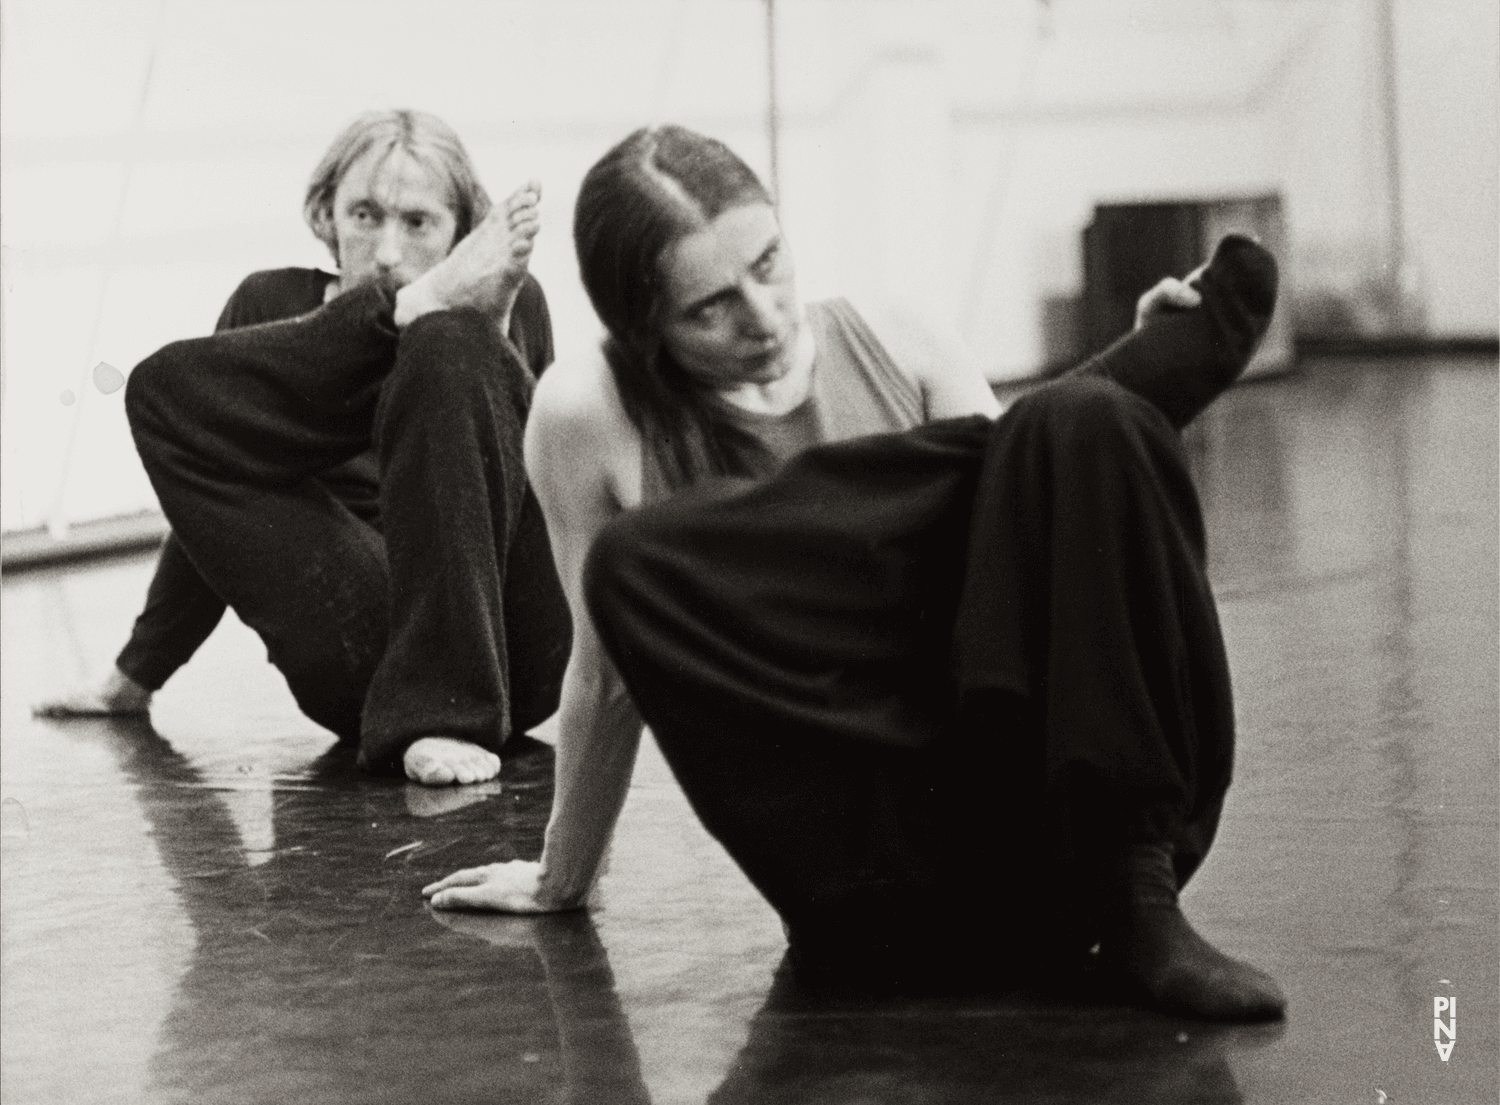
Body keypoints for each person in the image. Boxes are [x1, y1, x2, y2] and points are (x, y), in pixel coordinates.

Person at [413, 124, 1283, 1021]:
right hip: (870, 875)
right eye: (710, 308)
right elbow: (604, 677)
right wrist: (564, 874)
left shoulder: (895, 338)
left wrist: (1090, 434)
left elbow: (1033, 551)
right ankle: (1119, 391)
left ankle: (1139, 898)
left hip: (1035, 809)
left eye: (769, 262)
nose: (764, 315)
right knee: (638, 564)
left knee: (1070, 429)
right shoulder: (587, 413)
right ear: (643, 330)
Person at [35, 110, 570, 787]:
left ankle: (448, 708)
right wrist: (135, 674)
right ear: (327, 216)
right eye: (365, 216)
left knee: (451, 342)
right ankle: (403, 321)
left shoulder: (518, 299)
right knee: (162, 392)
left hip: (506, 643)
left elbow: (549, 496)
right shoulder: (269, 302)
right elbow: (216, 511)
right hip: (369, 652)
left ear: (462, 234)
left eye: (418, 223)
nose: (386, 251)